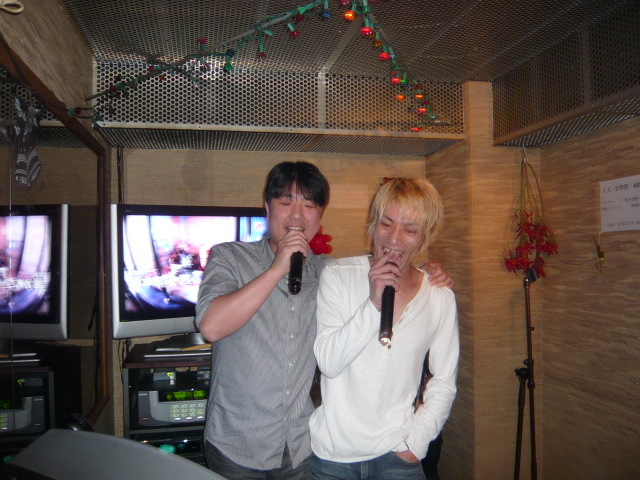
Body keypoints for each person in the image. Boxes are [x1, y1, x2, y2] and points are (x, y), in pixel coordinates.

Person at [196, 162, 453, 479]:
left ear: (319, 216)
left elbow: (371, 271)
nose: (297, 216)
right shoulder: (229, 257)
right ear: (267, 207)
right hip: (237, 444)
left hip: (300, 446)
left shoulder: (326, 271)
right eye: (286, 202)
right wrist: (277, 268)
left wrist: (423, 270)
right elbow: (211, 326)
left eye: (309, 205)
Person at [310, 177, 459, 480]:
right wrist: (373, 305)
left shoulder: (439, 297)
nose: (394, 239)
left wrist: (416, 443)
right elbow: (329, 363)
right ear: (374, 224)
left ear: (425, 235)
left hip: (398, 455)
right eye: (386, 223)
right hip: (333, 458)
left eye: (410, 230)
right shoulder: (338, 276)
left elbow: (444, 380)